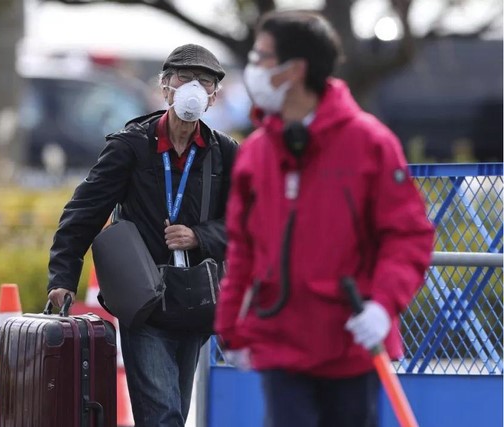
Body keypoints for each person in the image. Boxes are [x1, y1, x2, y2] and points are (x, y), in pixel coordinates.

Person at [214, 10, 435, 427]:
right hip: (280, 340)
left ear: (294, 70)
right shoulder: (258, 153)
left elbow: (407, 235)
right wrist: (230, 327)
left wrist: (383, 306)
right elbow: (242, 247)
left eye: (261, 57)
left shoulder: (370, 143)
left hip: (352, 342)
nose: (252, 69)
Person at [47, 43, 239, 427]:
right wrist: (63, 277)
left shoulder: (224, 154)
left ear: (214, 96)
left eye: (205, 82)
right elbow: (84, 213)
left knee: (173, 413)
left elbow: (247, 223)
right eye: (185, 79)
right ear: (165, 86)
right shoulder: (130, 147)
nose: (194, 89)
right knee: (163, 415)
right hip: (144, 301)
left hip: (197, 301)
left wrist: (200, 236)